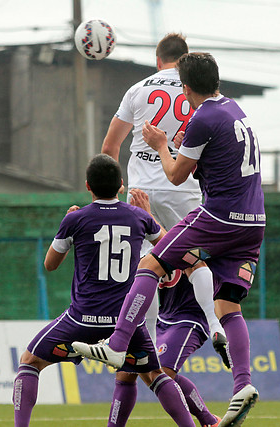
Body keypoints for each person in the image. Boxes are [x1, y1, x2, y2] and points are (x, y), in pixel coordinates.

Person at [74, 52, 265, 427]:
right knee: (229, 305)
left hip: (218, 215)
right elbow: (215, 163)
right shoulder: (232, 109)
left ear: (186, 87)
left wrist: (162, 144)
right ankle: (242, 384)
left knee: (150, 263)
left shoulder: (203, 117)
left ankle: (117, 344)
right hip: (254, 220)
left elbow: (176, 175)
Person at [12, 154, 196, 427]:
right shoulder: (138, 217)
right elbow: (169, 246)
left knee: (29, 362)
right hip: (125, 322)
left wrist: (66, 226)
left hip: (81, 320)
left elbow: (50, 265)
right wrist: (148, 217)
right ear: (121, 185)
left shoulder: (76, 219)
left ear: (88, 186)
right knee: (156, 375)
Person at [101, 32, 226, 350]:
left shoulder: (138, 89)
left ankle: (151, 341)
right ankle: (214, 323)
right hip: (182, 187)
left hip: (141, 190)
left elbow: (110, 146)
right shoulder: (194, 91)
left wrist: (115, 189)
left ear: (158, 60)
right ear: (184, 60)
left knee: (147, 267)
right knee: (195, 259)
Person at [112, 190, 221, 427]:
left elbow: (179, 251)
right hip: (163, 316)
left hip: (189, 317)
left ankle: (208, 420)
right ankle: (209, 421)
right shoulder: (154, 235)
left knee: (162, 372)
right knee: (127, 372)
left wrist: (148, 217)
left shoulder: (196, 229)